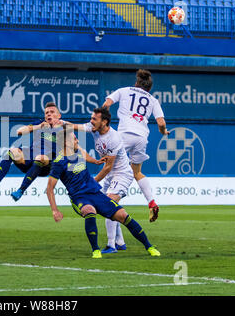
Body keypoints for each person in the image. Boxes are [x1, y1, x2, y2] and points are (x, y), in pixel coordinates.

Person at [46, 126, 160, 258]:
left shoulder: (77, 151)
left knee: (123, 215)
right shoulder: (58, 162)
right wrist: (55, 210)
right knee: (90, 211)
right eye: (74, 137)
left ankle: (149, 246)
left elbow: (85, 154)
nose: (77, 139)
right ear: (65, 142)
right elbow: (49, 189)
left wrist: (96, 161)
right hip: (79, 198)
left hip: (95, 193)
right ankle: (96, 250)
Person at [0, 102, 101, 201]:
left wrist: (95, 161)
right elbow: (19, 131)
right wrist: (39, 127)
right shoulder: (40, 123)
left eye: (52, 112)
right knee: (12, 152)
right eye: (47, 113)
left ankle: (20, 191)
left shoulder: (65, 130)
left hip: (46, 163)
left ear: (59, 115)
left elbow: (79, 149)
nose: (49, 114)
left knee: (40, 157)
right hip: (30, 157)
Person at [103, 69, 169, 222]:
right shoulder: (152, 99)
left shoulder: (124, 90)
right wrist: (164, 132)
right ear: (149, 88)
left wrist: (103, 122)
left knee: (111, 166)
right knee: (137, 172)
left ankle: (110, 201)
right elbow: (161, 122)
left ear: (136, 83)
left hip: (124, 134)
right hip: (141, 137)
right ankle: (151, 201)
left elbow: (107, 104)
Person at [70, 107, 133, 254]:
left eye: (94, 119)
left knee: (109, 203)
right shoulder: (94, 129)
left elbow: (108, 167)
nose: (91, 121)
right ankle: (120, 242)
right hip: (110, 175)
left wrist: (93, 182)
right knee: (106, 206)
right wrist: (58, 122)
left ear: (104, 122)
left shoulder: (114, 138)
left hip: (121, 174)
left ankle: (111, 245)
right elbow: (74, 126)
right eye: (91, 118)